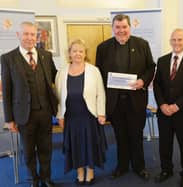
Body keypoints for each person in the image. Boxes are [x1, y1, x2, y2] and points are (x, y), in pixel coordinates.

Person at [96, 14, 155, 180]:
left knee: (136, 135)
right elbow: (98, 73)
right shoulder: (103, 48)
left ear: (130, 27)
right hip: (114, 102)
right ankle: (121, 166)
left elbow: (151, 67)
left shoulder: (142, 44)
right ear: (113, 28)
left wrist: (143, 80)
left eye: (124, 27)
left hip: (135, 100)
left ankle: (139, 166)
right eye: (118, 27)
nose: (121, 31)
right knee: (120, 136)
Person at [1, 22, 58, 187]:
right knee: (28, 151)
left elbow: (56, 79)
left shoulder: (46, 56)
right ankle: (34, 179)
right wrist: (9, 119)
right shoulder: (8, 58)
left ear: (37, 36)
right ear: (18, 35)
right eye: (25, 34)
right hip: (24, 115)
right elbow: (7, 90)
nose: (29, 37)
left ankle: (46, 178)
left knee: (46, 148)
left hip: (46, 112)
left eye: (33, 34)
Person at [153, 28, 183, 187]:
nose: (176, 43)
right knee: (164, 144)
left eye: (180, 39)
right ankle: (166, 170)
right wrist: (162, 104)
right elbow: (157, 85)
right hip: (164, 112)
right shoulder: (162, 60)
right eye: (174, 40)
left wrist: (177, 105)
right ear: (170, 41)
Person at [55, 39, 107, 185]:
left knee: (90, 144)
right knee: (75, 145)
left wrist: (101, 113)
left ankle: (90, 173)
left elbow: (100, 93)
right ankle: (79, 173)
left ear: (85, 54)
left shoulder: (94, 70)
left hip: (89, 115)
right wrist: (60, 115)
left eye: (81, 51)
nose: (77, 53)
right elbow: (58, 96)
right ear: (69, 54)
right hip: (71, 116)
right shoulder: (61, 72)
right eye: (74, 51)